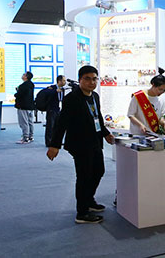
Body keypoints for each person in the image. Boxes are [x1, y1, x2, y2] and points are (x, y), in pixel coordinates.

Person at [47, 65, 115, 224]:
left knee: (98, 171)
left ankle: (89, 200)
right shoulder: (72, 98)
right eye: (87, 79)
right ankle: (82, 212)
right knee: (84, 176)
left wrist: (105, 133)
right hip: (79, 143)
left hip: (95, 141)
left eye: (94, 79)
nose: (92, 82)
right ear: (80, 80)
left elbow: (97, 118)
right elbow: (62, 122)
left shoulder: (95, 96)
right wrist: (54, 145)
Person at [127, 68, 165, 135]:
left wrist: (164, 125)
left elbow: (160, 117)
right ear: (153, 85)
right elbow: (130, 115)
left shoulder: (161, 100)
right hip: (137, 135)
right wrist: (140, 125)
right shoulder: (138, 96)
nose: (161, 92)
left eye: (164, 90)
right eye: (160, 89)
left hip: (153, 135)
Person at [39, 74, 76, 146]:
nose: (65, 82)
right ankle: (49, 142)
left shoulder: (63, 89)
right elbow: (45, 92)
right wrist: (55, 91)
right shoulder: (52, 88)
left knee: (58, 126)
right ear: (59, 81)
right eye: (64, 80)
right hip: (52, 110)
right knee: (50, 126)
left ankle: (56, 141)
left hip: (59, 110)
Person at [15, 71, 35, 144]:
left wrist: (16, 93)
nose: (22, 75)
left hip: (23, 106)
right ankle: (30, 136)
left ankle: (25, 138)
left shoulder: (23, 86)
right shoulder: (31, 84)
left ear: (26, 77)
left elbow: (19, 95)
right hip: (30, 106)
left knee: (24, 122)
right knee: (30, 122)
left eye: (24, 74)